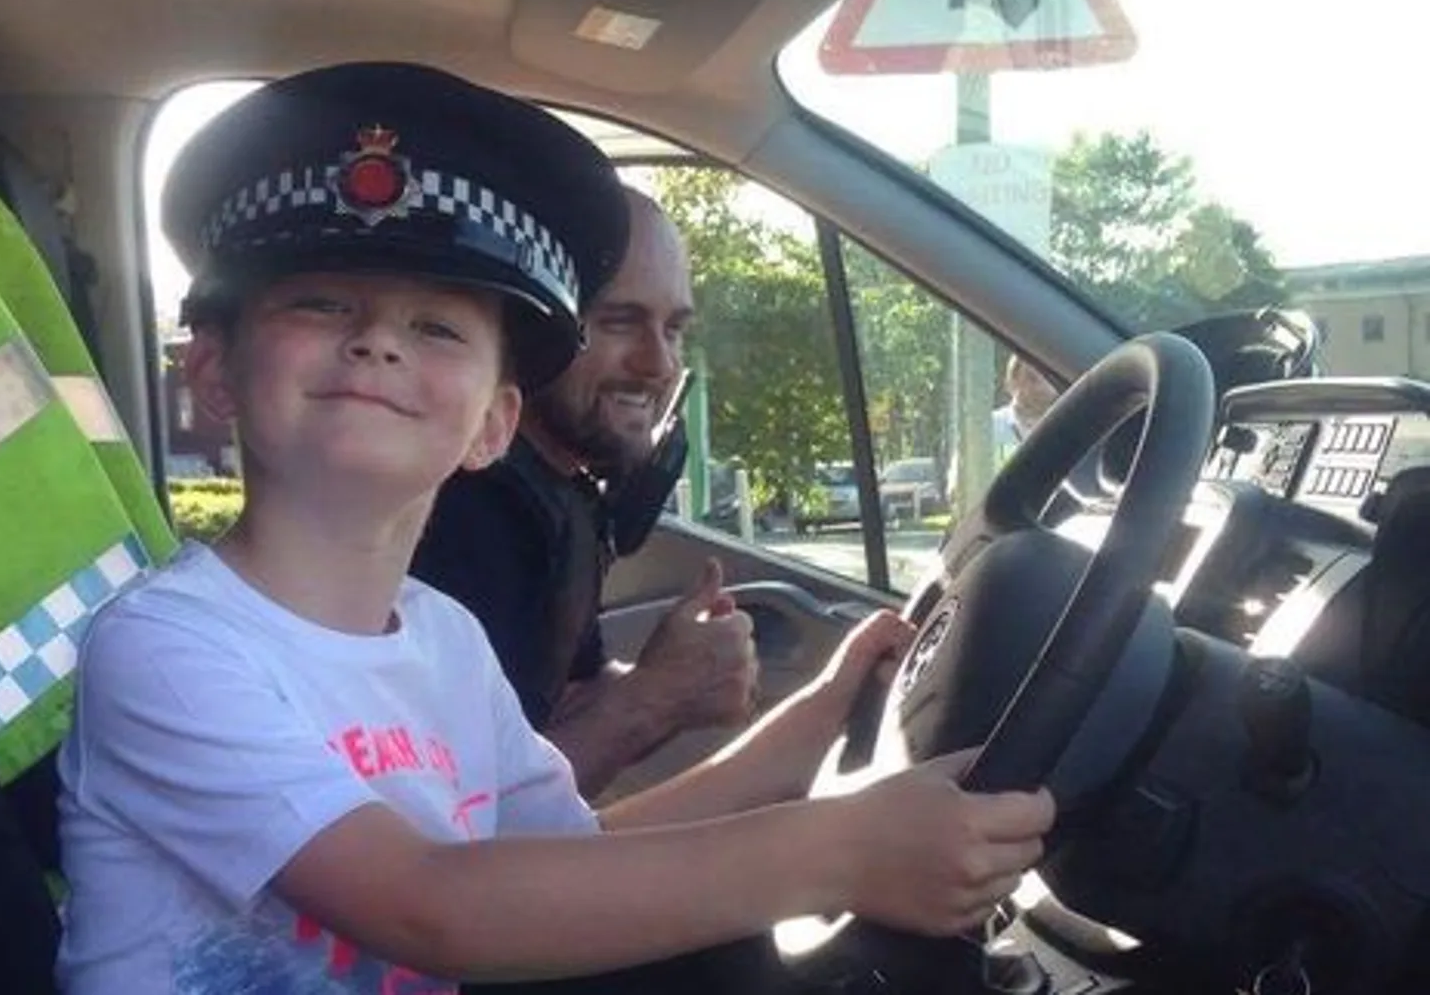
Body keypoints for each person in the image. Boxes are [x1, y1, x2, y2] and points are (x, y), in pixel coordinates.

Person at [54, 60, 1056, 995]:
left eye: (436, 326)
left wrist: (831, 713)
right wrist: (839, 853)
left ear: (494, 422)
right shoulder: (168, 645)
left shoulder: (441, 638)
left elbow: (579, 859)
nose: (375, 342)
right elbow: (430, 904)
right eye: (320, 304)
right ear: (214, 371)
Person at [412, 188, 752, 797]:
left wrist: (681, 668)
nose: (660, 364)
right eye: (619, 322)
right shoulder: (475, 514)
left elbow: (557, 705)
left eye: (673, 330)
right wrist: (657, 696)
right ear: (533, 331)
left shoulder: (563, 495)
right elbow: (471, 816)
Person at [989, 353, 1061, 471]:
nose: (1042, 386)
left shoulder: (1066, 427)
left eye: (1048, 378)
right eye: (1032, 378)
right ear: (1011, 382)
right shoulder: (991, 427)